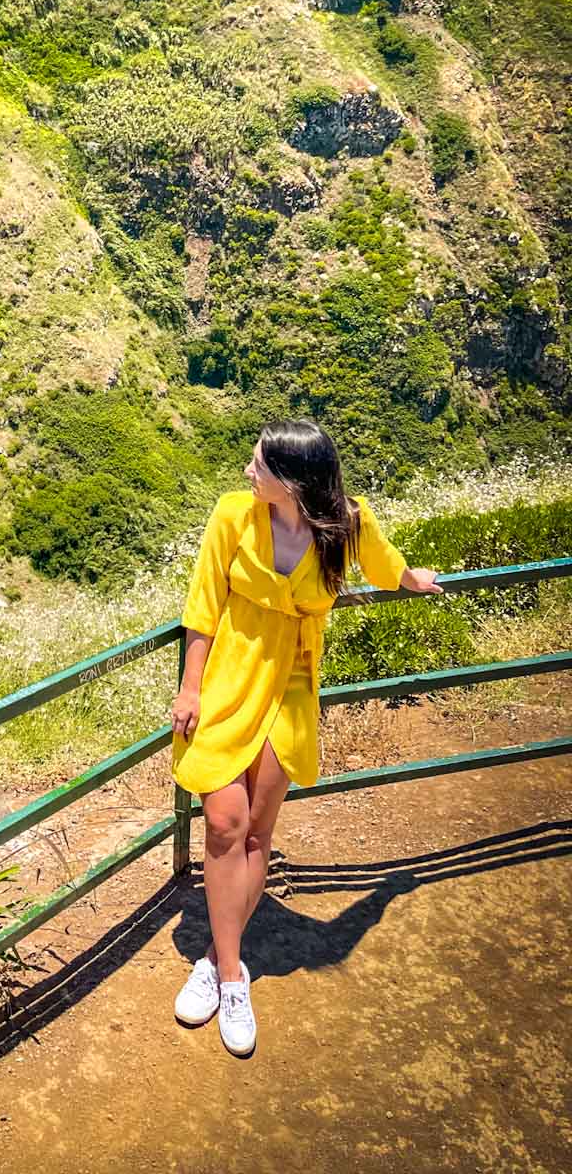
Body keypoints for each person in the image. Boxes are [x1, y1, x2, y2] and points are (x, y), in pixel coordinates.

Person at [168, 418, 443, 1056]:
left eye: (259, 465)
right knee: (224, 824)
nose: (247, 473)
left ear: (291, 481)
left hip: (292, 682)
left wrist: (412, 579)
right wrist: (190, 687)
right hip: (232, 678)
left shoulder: (343, 525)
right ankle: (233, 970)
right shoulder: (233, 517)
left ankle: (220, 962)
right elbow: (203, 606)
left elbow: (383, 562)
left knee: (260, 829)